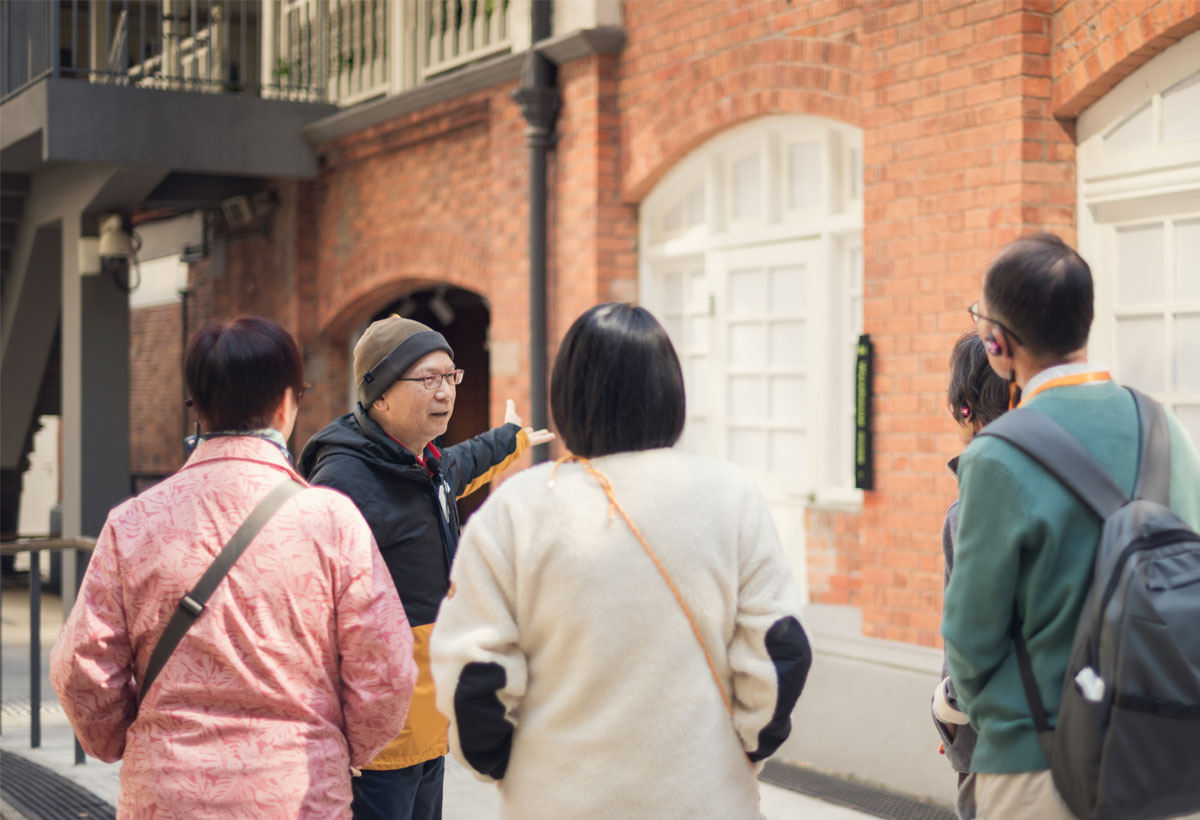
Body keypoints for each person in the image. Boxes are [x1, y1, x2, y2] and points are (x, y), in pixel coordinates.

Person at [429, 303, 813, 820]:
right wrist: (741, 747)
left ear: (567, 395)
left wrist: (514, 768)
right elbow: (780, 651)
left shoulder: (518, 509)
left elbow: (473, 673)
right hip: (705, 796)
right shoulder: (730, 495)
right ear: (671, 392)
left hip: (556, 799)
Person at [51, 316, 417, 820]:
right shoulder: (331, 521)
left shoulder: (132, 523)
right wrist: (336, 746)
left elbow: (81, 669)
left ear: (195, 406)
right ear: (288, 402)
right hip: (297, 793)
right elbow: (388, 669)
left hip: (167, 794)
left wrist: (130, 740)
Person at [941, 234, 1200, 819]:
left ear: (996, 343)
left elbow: (970, 640)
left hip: (1038, 764)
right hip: (1160, 754)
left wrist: (999, 721)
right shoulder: (1165, 429)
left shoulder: (997, 455)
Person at [297, 314, 549, 820]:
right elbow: (309, 609)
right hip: (375, 744)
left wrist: (511, 439)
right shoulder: (345, 481)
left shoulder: (420, 461)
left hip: (428, 726)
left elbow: (464, 463)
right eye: (427, 379)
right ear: (380, 394)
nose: (445, 392)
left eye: (449, 376)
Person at [932, 331, 1009, 819]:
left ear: (964, 409)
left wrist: (949, 715)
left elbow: (970, 642)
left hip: (992, 750)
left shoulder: (971, 509)